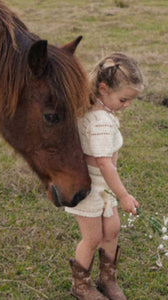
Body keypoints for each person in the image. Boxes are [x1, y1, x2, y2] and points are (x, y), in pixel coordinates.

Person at [65, 53, 144, 300]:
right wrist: (123, 195)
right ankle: (81, 286)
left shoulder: (101, 110)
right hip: (90, 187)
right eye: (123, 99)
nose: (126, 105)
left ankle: (107, 278)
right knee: (93, 237)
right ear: (103, 89)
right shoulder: (100, 121)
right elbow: (105, 164)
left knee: (112, 228)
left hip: (103, 188)